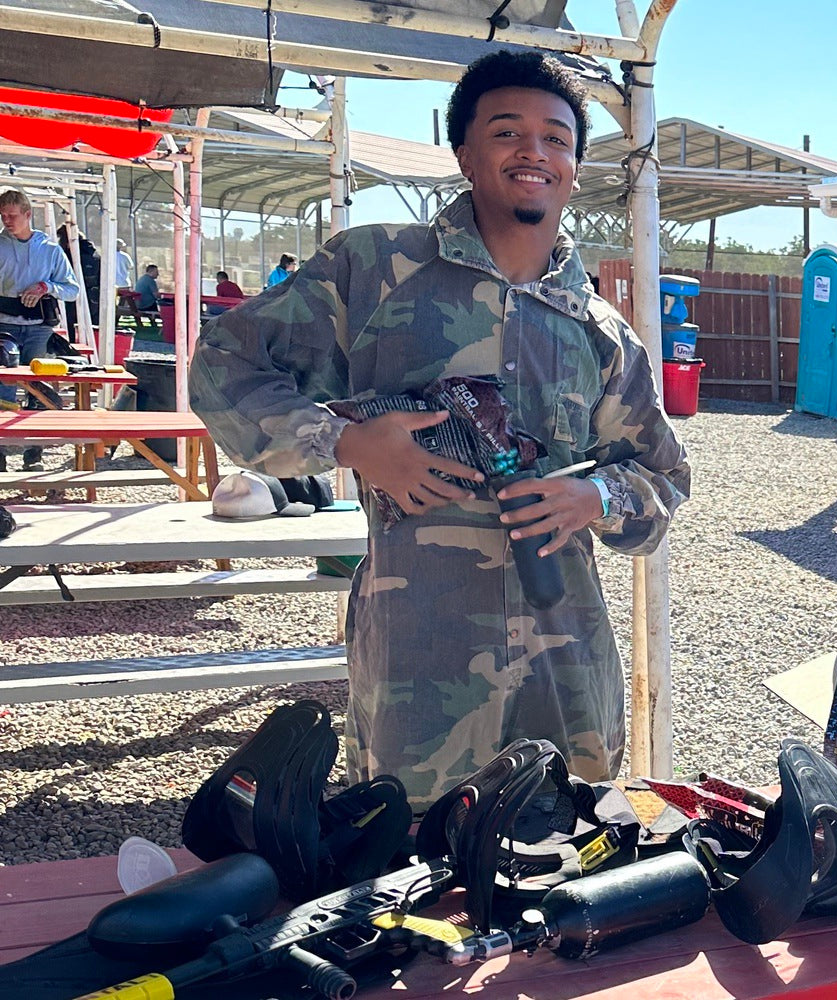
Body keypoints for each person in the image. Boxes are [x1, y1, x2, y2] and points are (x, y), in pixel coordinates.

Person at [193, 51, 691, 811]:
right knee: (405, 881)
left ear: (577, 166)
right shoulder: (377, 270)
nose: (535, 151)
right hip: (418, 659)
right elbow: (224, 365)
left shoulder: (601, 331)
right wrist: (345, 445)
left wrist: (594, 495)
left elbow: (661, 480)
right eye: (507, 132)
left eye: (557, 138)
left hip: (565, 661)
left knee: (568, 856)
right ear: (464, 154)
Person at [0, 189, 79, 471]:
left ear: (27, 215)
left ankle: (33, 453)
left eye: (12, 215)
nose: (6, 220)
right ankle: (1, 455)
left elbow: (73, 290)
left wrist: (46, 287)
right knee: (3, 388)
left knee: (37, 388)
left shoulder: (50, 250)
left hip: (38, 328)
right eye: (3, 215)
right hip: (4, 326)